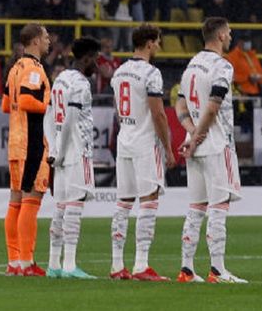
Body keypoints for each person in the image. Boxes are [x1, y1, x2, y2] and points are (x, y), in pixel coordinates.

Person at [176, 18, 247, 284]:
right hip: (216, 144)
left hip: (195, 146)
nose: (231, 35)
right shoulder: (222, 66)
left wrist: (191, 132)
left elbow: (180, 105)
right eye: (228, 32)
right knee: (218, 207)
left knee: (195, 208)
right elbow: (214, 106)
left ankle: (186, 268)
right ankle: (217, 270)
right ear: (219, 36)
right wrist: (199, 136)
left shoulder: (191, 65)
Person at [110, 25, 175, 281]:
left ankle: (116, 265)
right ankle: (141, 265)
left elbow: (119, 109)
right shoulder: (151, 73)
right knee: (148, 201)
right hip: (145, 143)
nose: (158, 46)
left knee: (123, 204)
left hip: (124, 140)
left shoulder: (119, 72)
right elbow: (158, 113)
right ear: (149, 43)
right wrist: (168, 147)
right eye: (157, 42)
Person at [43, 37, 100, 279]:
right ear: (86, 58)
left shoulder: (60, 79)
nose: (96, 64)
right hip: (77, 152)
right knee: (74, 209)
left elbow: (49, 116)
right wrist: (63, 150)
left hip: (61, 151)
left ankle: (53, 264)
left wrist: (53, 148)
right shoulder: (80, 84)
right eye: (95, 59)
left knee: (60, 208)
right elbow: (69, 120)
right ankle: (69, 266)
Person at [3, 23, 53, 277]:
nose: (48, 41)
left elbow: (5, 104)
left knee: (15, 202)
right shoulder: (33, 69)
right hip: (31, 144)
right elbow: (24, 100)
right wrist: (50, 107)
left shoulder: (14, 68)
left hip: (15, 141)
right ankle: (26, 261)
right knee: (31, 201)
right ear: (34, 41)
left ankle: (14, 261)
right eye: (45, 37)